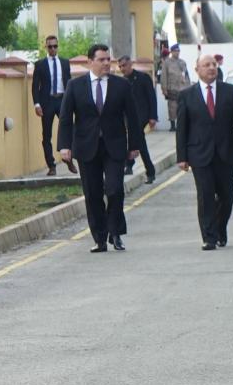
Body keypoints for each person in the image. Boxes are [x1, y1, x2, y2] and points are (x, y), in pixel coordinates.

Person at [58, 44, 144, 253]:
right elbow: (66, 118)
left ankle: (116, 233)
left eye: (108, 59)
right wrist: (64, 146)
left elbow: (132, 117)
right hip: (87, 147)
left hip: (114, 147)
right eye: (102, 59)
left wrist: (134, 145)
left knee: (114, 190)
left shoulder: (121, 85)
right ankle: (99, 238)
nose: (107, 63)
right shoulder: (75, 86)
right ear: (90, 62)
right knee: (93, 193)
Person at [176, 55, 233, 251]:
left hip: (226, 152)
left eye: (213, 65)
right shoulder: (187, 95)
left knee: (226, 196)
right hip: (199, 153)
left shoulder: (230, 91)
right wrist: (181, 157)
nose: (211, 68)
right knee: (206, 195)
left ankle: (220, 228)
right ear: (197, 69)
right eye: (206, 65)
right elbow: (182, 128)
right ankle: (209, 237)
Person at [32, 35, 75, 176]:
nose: (52, 49)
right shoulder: (40, 64)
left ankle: (68, 159)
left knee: (69, 130)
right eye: (50, 46)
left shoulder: (65, 62)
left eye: (55, 46)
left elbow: (69, 83)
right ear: (46, 47)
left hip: (62, 100)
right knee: (47, 135)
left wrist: (72, 101)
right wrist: (37, 104)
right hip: (47, 102)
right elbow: (35, 87)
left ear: (58, 46)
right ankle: (51, 166)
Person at [118, 56, 158, 184]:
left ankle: (145, 169)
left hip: (142, 115)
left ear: (130, 64)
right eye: (120, 66)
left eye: (124, 65)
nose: (122, 68)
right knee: (138, 142)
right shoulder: (122, 81)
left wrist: (153, 116)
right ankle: (134, 166)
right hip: (128, 117)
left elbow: (152, 97)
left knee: (137, 139)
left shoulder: (143, 78)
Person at [162, 44, 190, 132]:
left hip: (182, 88)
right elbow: (164, 76)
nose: (177, 53)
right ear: (171, 52)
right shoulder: (167, 62)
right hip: (172, 88)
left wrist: (189, 87)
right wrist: (164, 88)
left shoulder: (182, 62)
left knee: (182, 107)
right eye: (175, 51)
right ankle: (172, 126)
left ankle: (181, 124)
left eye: (178, 51)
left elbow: (186, 75)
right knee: (172, 107)